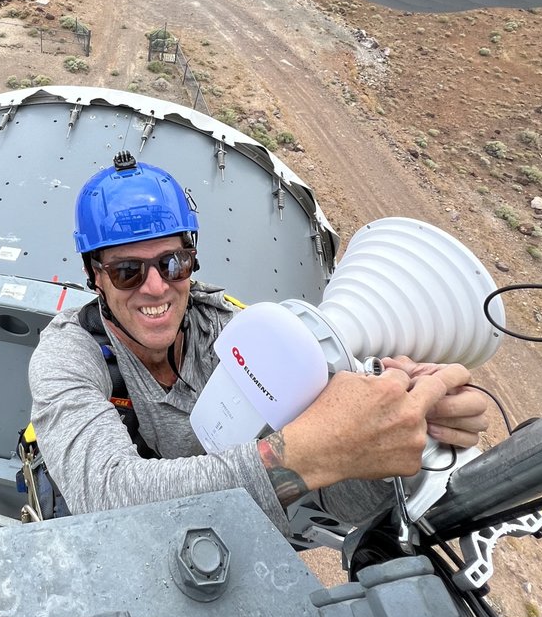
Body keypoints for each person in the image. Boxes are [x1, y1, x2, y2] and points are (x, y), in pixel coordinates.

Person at [28, 152, 489, 533]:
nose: (155, 287)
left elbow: (341, 505)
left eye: (173, 264)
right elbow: (108, 497)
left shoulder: (233, 334)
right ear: (94, 277)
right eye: (127, 271)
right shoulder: (69, 354)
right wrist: (300, 452)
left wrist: (393, 435)